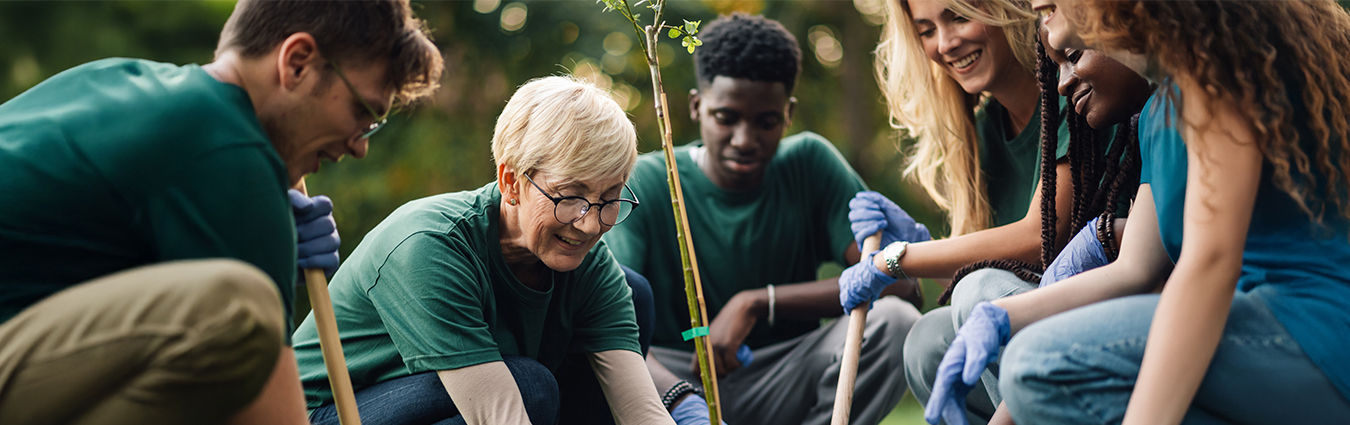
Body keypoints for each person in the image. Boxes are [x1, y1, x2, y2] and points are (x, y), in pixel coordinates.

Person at [0, 1, 441, 424]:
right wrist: (254, 224)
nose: (360, 147)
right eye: (361, 112)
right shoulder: (231, 151)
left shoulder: (115, 79)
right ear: (298, 62)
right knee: (239, 311)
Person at [983, 1, 1350, 423]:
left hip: (1312, 332)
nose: (1037, 9)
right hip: (1253, 336)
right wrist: (998, 318)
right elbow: (1134, 270)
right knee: (1032, 364)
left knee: (1040, 361)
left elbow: (1209, 262)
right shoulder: (1158, 112)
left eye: (1047, 4)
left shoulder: (1217, 71)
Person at [293, 76, 674, 425]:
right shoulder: (429, 245)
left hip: (461, 398)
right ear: (511, 181)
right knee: (530, 388)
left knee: (632, 291)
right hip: (322, 412)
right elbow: (501, 414)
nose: (591, 224)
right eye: (570, 196)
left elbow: (641, 411)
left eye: (609, 199)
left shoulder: (589, 265)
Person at [601, 13, 921, 425]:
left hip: (784, 375)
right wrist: (685, 401)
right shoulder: (648, 179)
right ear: (697, 106)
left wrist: (759, 302)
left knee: (895, 324)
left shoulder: (811, 163)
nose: (744, 139)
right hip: (673, 380)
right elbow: (609, 317)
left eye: (765, 122)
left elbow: (901, 287)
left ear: (787, 115)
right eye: (725, 117)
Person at [921, 26, 1153, 425]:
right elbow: (1141, 263)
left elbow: (1178, 265)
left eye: (1075, 55)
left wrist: (898, 259)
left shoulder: (1176, 113)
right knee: (931, 339)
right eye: (925, 30)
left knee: (1013, 335)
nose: (1062, 84)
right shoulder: (1151, 121)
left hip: (1263, 318)